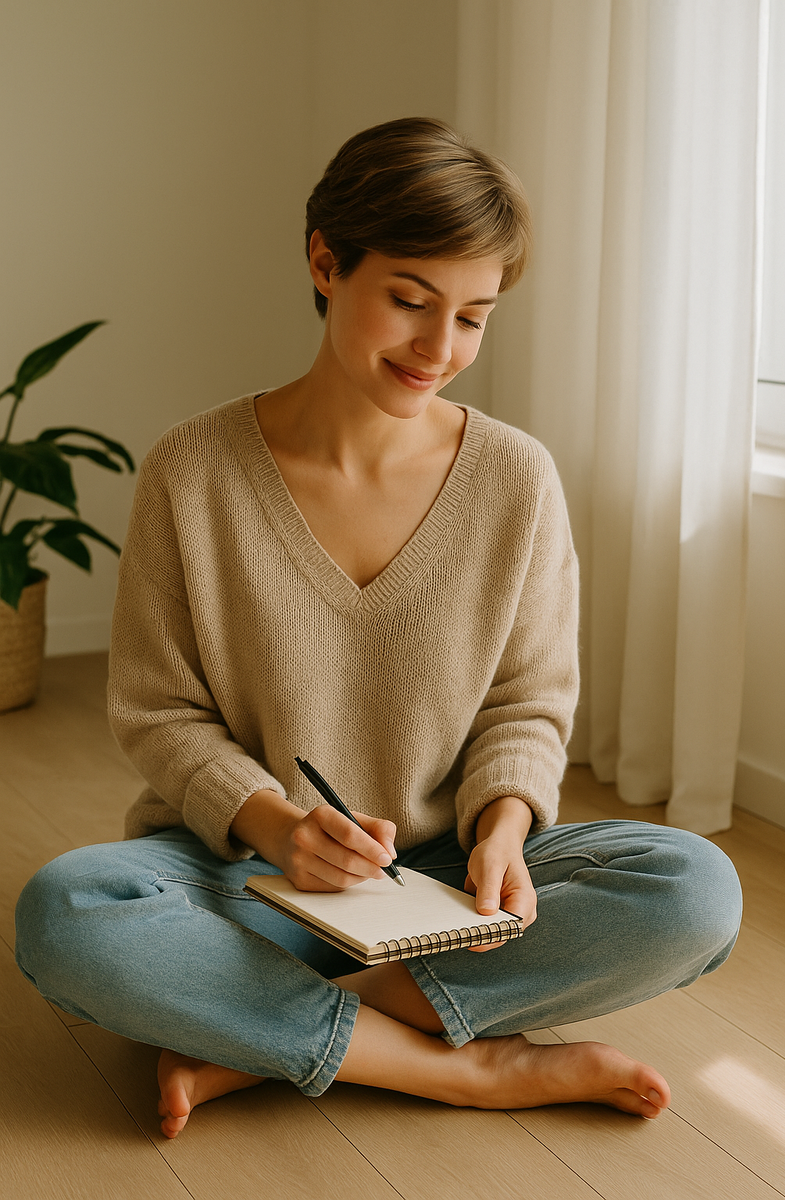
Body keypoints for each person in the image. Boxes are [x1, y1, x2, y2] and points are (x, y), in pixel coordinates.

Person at [15, 117, 742, 1140]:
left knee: (693, 889)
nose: (438, 350)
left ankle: (270, 1036)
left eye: (474, 317)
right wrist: (276, 829)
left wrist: (501, 833)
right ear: (324, 261)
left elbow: (528, 700)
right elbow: (157, 711)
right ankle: (466, 1069)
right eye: (408, 300)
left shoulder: (513, 479)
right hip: (247, 880)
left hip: (444, 889)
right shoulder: (193, 470)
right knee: (66, 912)